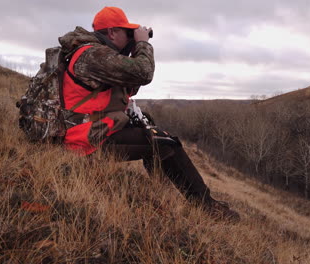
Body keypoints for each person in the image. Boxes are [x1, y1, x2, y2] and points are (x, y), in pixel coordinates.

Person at [58, 6, 240, 221]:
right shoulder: (93, 55)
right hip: (83, 139)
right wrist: (143, 44)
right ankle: (206, 207)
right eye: (127, 33)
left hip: (90, 129)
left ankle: (160, 189)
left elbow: (129, 86)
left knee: (149, 126)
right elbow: (144, 72)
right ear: (112, 33)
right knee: (165, 143)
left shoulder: (96, 53)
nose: (130, 37)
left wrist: (133, 47)